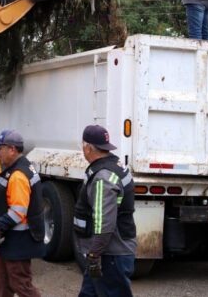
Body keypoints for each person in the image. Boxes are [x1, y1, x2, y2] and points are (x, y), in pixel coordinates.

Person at [0, 129, 45, 297]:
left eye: (0, 148)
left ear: (12, 150)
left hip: (19, 240)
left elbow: (17, 213)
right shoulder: (22, 168)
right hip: (10, 239)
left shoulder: (18, 176)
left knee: (20, 284)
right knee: (2, 284)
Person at [75, 125, 136, 297]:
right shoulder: (116, 167)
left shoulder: (103, 177)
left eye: (83, 145)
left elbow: (104, 223)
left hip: (110, 255)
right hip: (109, 252)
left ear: (88, 148)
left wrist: (94, 255)